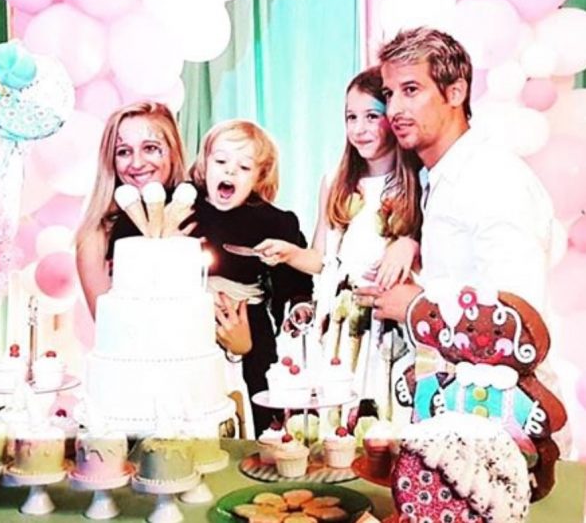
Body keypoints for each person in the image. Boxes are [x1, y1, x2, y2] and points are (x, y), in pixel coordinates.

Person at [354, 27, 568, 454]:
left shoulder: (493, 178)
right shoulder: (438, 177)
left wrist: (415, 307)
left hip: (511, 424)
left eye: (411, 90)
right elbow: (464, 280)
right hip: (461, 418)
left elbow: (517, 315)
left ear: (455, 92)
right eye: (390, 94)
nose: (395, 109)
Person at [253, 67, 423, 426]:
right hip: (338, 326)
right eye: (351, 117)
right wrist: (288, 253)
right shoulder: (334, 182)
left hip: (385, 326)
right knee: (337, 420)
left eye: (372, 116)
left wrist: (409, 243)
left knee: (382, 419)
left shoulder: (416, 182)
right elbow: (323, 260)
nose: (359, 129)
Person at [188, 119, 314, 435]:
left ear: (260, 176)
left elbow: (294, 280)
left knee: (260, 399)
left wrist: (298, 304)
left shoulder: (275, 222)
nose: (230, 171)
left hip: (251, 320)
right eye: (220, 161)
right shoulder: (184, 208)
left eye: (244, 167)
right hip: (193, 323)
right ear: (204, 164)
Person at [75, 101, 189, 317]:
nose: (136, 163)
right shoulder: (95, 236)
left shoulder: (200, 213)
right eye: (124, 152)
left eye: (150, 148)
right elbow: (108, 325)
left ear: (173, 151)